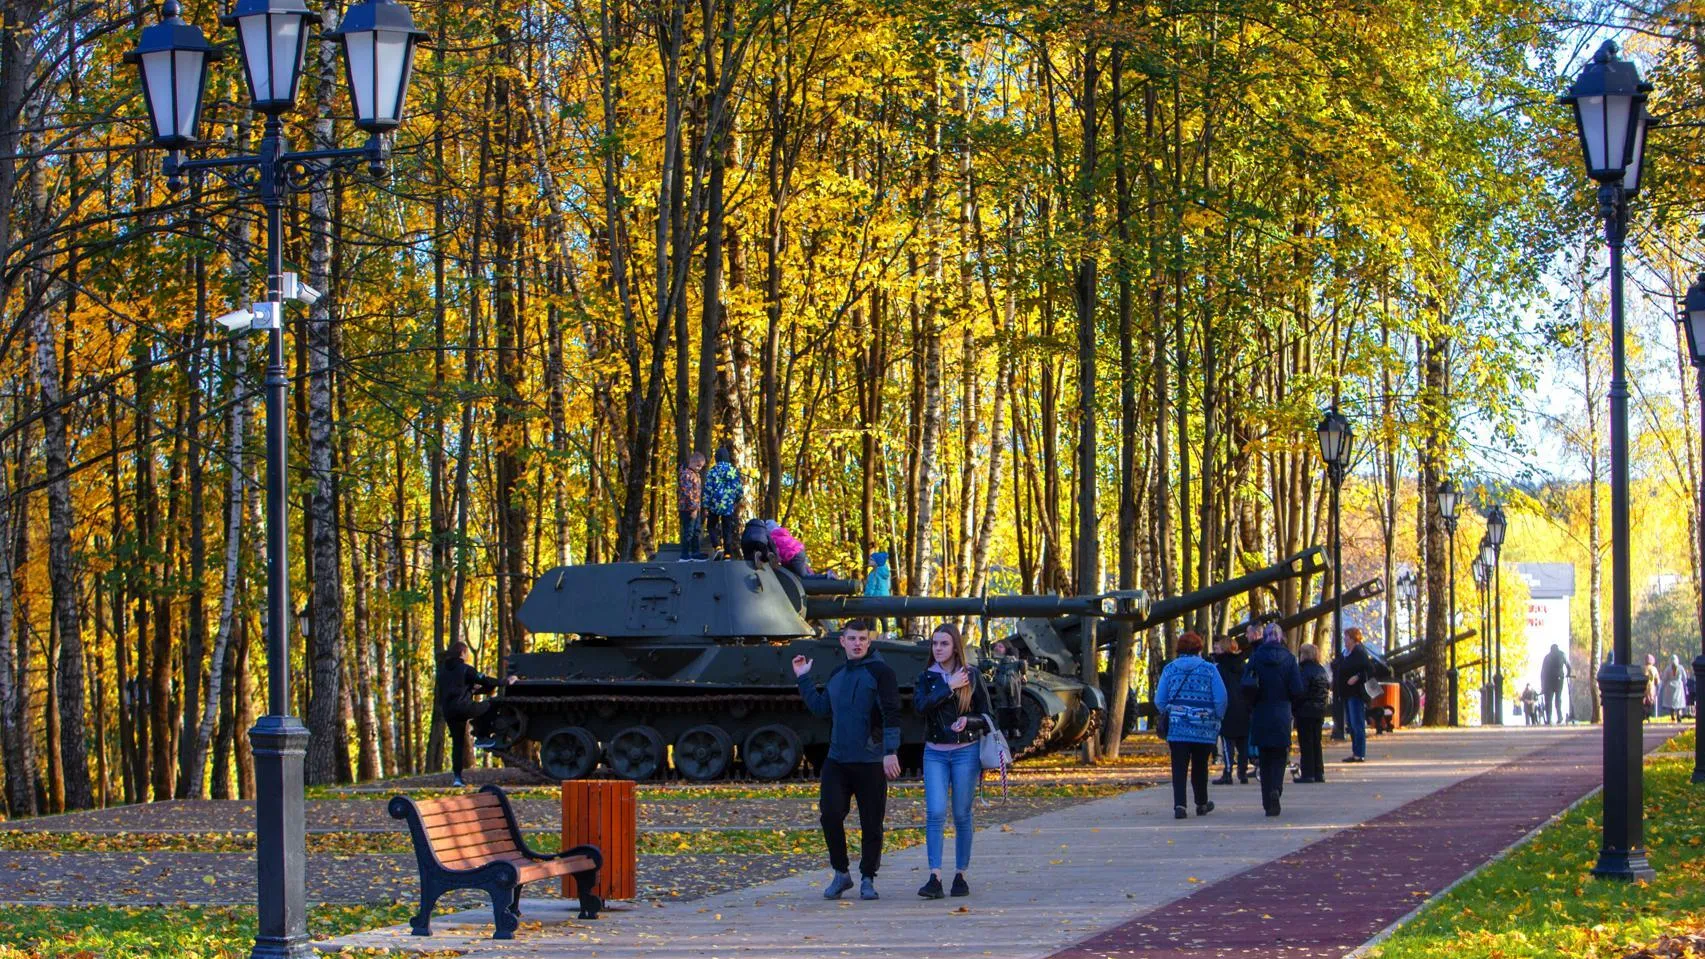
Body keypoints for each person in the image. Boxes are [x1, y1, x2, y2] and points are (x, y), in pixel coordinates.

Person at [792, 618, 901, 901]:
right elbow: (819, 708)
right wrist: (803, 677)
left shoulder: (881, 672)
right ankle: (841, 874)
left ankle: (868, 877)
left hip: (870, 760)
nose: (857, 644)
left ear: (869, 641)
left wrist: (890, 751)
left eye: (862, 639)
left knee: (872, 822)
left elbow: (891, 713)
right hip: (837, 760)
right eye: (852, 638)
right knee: (829, 815)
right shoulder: (837, 674)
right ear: (842, 641)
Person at [913, 623, 991, 899]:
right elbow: (920, 707)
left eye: (944, 644)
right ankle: (934, 876)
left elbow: (987, 715)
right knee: (935, 813)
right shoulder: (927, 677)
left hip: (965, 752)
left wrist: (967, 721)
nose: (938, 648)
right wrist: (948, 686)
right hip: (934, 752)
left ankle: (961, 874)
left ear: (955, 646)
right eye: (935, 644)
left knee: (961, 814)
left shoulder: (972, 675)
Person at [1155, 631, 1227, 819]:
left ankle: (1180, 805)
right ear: (1199, 649)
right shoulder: (1210, 669)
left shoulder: (1170, 669)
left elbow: (1159, 699)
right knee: (1200, 766)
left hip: (1177, 727)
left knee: (1178, 767)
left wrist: (1170, 711)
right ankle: (1201, 803)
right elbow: (1221, 698)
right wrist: (1217, 717)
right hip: (1204, 727)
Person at [1243, 622, 1303, 816]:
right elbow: (1297, 689)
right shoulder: (1289, 658)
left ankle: (1267, 802)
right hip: (1282, 713)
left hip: (1261, 712)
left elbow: (1245, 684)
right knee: (1279, 756)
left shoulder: (1256, 657)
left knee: (1265, 756)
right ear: (1280, 637)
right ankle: (1276, 789)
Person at [435, 641, 514, 787]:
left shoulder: (442, 671)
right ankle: (482, 736)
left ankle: (457, 778)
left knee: (457, 744)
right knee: (491, 704)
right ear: (462, 653)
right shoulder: (466, 669)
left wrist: (471, 690)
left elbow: (451, 689)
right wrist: (505, 681)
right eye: (466, 653)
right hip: (464, 707)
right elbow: (484, 679)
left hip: (449, 711)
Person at [1212, 632, 1251, 785]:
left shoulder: (1220, 667)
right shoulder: (1242, 665)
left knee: (1228, 742)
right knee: (1243, 743)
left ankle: (1228, 772)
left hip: (1228, 707)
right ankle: (1243, 772)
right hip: (1243, 706)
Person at [1295, 643, 1330, 783]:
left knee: (1306, 742)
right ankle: (1318, 771)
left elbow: (1300, 691)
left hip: (1306, 710)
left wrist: (1295, 705)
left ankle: (1308, 773)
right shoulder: (1321, 670)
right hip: (1319, 710)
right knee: (1316, 741)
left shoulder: (1304, 671)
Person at [1338, 628, 1374, 763]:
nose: (1344, 640)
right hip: (1346, 692)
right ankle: (1355, 752)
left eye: (1346, 637)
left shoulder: (1359, 652)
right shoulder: (1346, 653)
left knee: (1357, 723)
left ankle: (1359, 753)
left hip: (1356, 693)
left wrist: (1357, 676)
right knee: (1351, 725)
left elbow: (1369, 669)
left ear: (1353, 638)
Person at [702, 444, 744, 553]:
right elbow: (739, 489)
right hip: (728, 505)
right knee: (727, 529)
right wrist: (736, 501)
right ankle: (728, 554)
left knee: (711, 526)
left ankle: (717, 546)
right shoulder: (734, 471)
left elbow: (708, 489)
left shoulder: (713, 471)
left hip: (714, 505)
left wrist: (706, 505)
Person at [989, 640, 1027, 741]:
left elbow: (1023, 663)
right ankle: (1010, 730)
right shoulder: (999, 661)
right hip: (1005, 684)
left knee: (1010, 706)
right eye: (996, 646)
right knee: (1008, 706)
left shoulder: (1013, 661)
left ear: (1007, 649)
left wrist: (1023, 674)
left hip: (1009, 684)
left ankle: (1012, 729)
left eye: (1000, 647)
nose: (997, 648)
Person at [1540, 643, 1570, 725]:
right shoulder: (1562, 654)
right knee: (1558, 698)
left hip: (1549, 680)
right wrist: (1568, 673)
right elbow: (1568, 665)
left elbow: (1542, 672)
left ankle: (1549, 718)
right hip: (1558, 679)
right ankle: (1559, 717)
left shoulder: (1547, 657)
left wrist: (1543, 685)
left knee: (1549, 700)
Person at [1662, 655, 1689, 722]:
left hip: (1670, 686)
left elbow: (1665, 678)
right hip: (1679, 686)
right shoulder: (1680, 668)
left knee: (1671, 703)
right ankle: (1679, 715)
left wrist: (1664, 685)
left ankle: (1672, 715)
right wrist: (1685, 684)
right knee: (1679, 702)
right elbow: (1684, 678)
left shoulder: (1668, 668)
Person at [1645, 654, 1662, 720]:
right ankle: (1648, 715)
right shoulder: (1654, 669)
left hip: (1643, 688)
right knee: (1650, 702)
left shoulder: (1643, 668)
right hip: (1651, 687)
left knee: (1645, 702)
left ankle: (1645, 715)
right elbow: (1657, 680)